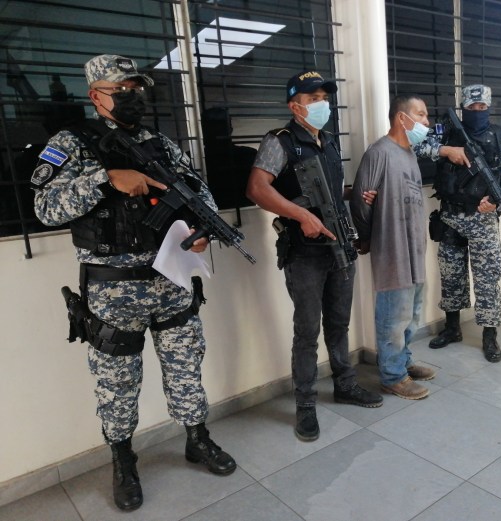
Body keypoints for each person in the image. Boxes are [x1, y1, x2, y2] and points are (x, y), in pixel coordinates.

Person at [33, 55, 236, 512]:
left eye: (137, 88)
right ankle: (123, 461)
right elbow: (45, 208)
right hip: (113, 291)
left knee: (186, 368)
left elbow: (199, 193)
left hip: (173, 279)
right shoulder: (71, 144)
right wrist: (104, 178)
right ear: (96, 95)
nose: (132, 96)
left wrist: (203, 230)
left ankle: (196, 438)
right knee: (117, 382)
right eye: (121, 88)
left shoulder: (160, 143)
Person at [246, 71, 383, 442]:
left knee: (339, 323)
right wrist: (300, 215)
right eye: (313, 98)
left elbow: (330, 194)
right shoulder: (280, 141)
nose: (323, 103)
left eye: (324, 96)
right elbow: (257, 189)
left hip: (340, 246)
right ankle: (305, 404)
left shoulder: (329, 142)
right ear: (295, 106)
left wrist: (355, 195)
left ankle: (345, 384)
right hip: (304, 254)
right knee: (307, 331)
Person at [423, 84, 501, 363]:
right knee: (450, 273)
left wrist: (497, 200)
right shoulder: (445, 132)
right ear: (463, 108)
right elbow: (418, 145)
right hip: (450, 216)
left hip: (482, 218)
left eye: (482, 108)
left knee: (487, 278)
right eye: (471, 108)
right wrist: (446, 150)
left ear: (488, 107)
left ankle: (489, 335)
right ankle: (452, 328)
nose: (477, 112)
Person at [350, 94, 437, 400]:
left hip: (414, 250)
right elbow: (361, 203)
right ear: (402, 118)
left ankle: (403, 360)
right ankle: (391, 376)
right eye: (421, 115)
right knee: (393, 315)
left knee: (411, 314)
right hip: (392, 251)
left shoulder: (409, 153)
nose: (426, 122)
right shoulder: (380, 152)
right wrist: (367, 238)